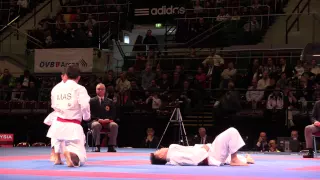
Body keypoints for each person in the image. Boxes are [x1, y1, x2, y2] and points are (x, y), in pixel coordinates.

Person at [46, 65, 91, 167]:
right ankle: (71, 154)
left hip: (57, 124)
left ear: (65, 75)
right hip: (72, 125)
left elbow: (53, 106)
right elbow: (84, 105)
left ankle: (57, 156)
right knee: (81, 156)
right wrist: (86, 117)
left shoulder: (56, 88)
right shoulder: (79, 88)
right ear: (78, 77)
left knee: (57, 139)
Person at [150, 127, 254, 166]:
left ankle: (243, 159)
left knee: (224, 143)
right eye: (158, 150)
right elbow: (192, 159)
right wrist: (203, 150)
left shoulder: (173, 153)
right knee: (232, 131)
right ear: (160, 156)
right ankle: (235, 160)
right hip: (210, 155)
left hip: (210, 152)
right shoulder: (174, 157)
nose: (160, 148)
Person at [44, 72, 68, 162]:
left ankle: (67, 154)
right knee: (55, 134)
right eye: (66, 76)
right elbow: (54, 104)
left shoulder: (74, 87)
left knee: (67, 137)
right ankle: (56, 154)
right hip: (59, 113)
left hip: (70, 114)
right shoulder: (57, 88)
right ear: (62, 76)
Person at [89, 83, 118, 152]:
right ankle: (97, 146)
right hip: (95, 121)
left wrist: (108, 119)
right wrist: (98, 119)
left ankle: (111, 146)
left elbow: (113, 113)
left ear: (105, 91)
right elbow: (89, 113)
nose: (100, 90)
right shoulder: (91, 101)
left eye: (102, 89)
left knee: (114, 125)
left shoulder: (110, 101)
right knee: (96, 125)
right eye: (98, 89)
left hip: (107, 121)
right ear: (96, 90)